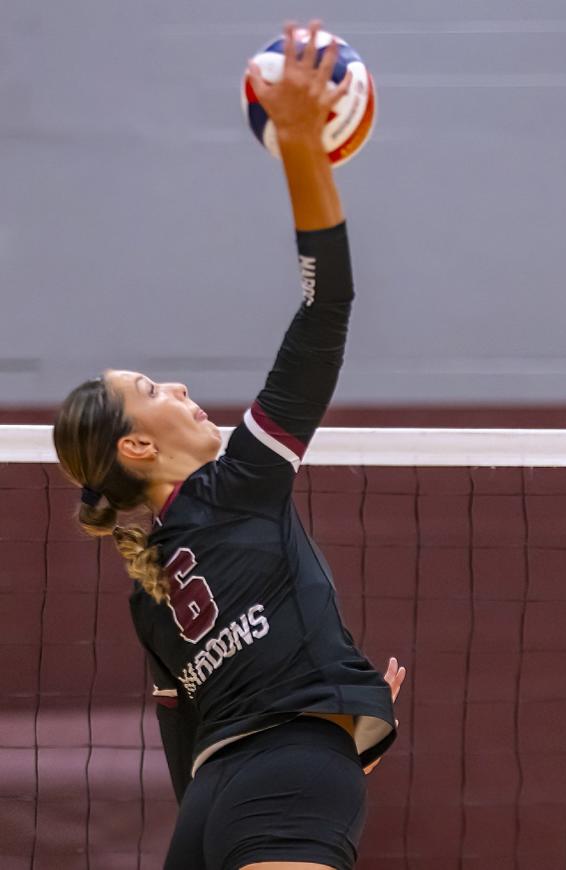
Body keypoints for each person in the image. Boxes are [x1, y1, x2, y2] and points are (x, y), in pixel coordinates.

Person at [52, 21, 400, 870]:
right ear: (135, 448)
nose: (176, 388)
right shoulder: (239, 479)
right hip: (287, 770)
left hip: (211, 805)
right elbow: (327, 310)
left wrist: (335, 702)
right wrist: (299, 147)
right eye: (152, 391)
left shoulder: (150, 585)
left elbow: (183, 734)